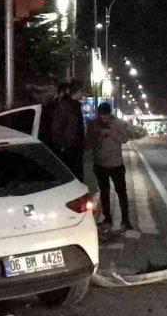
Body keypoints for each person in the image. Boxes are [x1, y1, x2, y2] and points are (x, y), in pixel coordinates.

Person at [87, 102, 133, 231]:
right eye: (101, 116)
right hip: (100, 163)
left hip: (116, 163)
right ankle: (107, 218)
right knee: (104, 192)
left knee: (121, 192)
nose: (103, 119)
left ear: (109, 114)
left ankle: (125, 219)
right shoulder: (94, 124)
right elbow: (90, 142)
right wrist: (100, 134)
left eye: (105, 116)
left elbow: (124, 139)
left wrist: (111, 132)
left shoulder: (118, 123)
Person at [50, 80, 86, 182]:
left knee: (77, 174)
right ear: (78, 92)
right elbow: (57, 127)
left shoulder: (75, 106)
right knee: (71, 175)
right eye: (81, 92)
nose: (83, 94)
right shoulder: (66, 107)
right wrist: (63, 145)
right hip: (69, 148)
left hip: (76, 147)